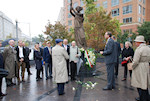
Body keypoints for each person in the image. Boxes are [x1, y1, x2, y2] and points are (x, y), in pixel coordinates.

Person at [131, 35, 150, 101]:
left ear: (139, 42)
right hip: (146, 66)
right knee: (145, 83)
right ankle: (147, 97)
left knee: (139, 84)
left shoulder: (138, 49)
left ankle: (142, 98)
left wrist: (132, 66)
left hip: (139, 67)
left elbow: (135, 61)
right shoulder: (148, 48)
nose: (135, 43)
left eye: (136, 42)